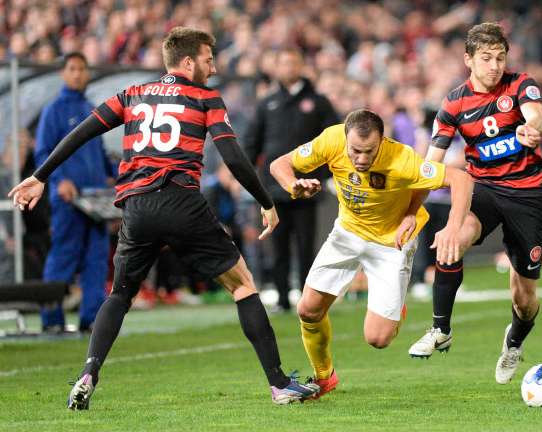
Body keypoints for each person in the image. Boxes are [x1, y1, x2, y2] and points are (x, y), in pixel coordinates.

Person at [9, 27, 318, 409]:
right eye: (208, 58)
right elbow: (234, 157)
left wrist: (40, 176)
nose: (213, 65)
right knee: (242, 285)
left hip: (136, 208)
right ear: (187, 62)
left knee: (120, 294)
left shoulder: (132, 95)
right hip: (180, 201)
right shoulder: (205, 97)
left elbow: (81, 133)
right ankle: (279, 384)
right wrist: (265, 201)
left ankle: (89, 372)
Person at [269, 109, 474, 398]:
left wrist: (449, 227)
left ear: (382, 141)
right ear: (345, 140)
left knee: (377, 339)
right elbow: (280, 164)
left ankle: (396, 305)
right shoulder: (331, 140)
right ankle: (324, 377)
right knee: (308, 309)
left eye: (370, 151)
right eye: (355, 151)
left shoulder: (400, 158)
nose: (362, 159)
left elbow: (460, 180)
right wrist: (293, 185)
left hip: (391, 243)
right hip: (348, 233)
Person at [404, 22, 542, 385]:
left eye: (500, 57)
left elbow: (535, 114)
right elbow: (431, 163)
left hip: (526, 193)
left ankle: (514, 341)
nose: (494, 65)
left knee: (524, 296)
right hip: (483, 189)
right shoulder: (454, 102)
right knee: (452, 238)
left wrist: (532, 127)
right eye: (486, 58)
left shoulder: (520, 84)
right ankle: (441, 329)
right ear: (468, 59)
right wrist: (411, 210)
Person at [243, 48, 338, 312]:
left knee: (307, 245)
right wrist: (246, 175)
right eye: (283, 62)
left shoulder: (319, 102)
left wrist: (327, 176)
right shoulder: (267, 103)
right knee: (279, 246)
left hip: (308, 187)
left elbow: (336, 140)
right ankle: (283, 298)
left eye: (293, 61)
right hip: (273, 188)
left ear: (301, 65)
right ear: (276, 67)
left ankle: (310, 299)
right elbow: (252, 143)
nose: (288, 67)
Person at [34, 52, 114, 333]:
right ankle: (52, 319)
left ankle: (90, 318)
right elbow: (43, 152)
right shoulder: (53, 110)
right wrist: (58, 182)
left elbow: (102, 155)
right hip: (68, 199)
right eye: (72, 69)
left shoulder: (93, 109)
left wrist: (116, 179)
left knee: (96, 259)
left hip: (95, 201)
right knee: (63, 256)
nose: (78, 73)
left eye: (82, 68)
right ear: (63, 74)